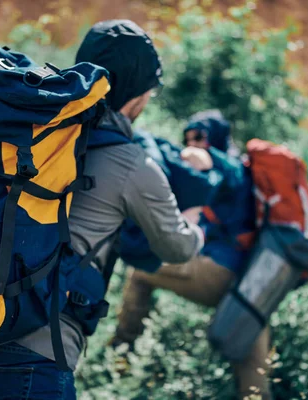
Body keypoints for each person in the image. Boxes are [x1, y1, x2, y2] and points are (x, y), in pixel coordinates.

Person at [0, 20, 204, 399]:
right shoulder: (131, 162)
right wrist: (198, 218)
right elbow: (177, 249)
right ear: (138, 95)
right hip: (35, 357)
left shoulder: (35, 130)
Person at [113, 111, 273, 400]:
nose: (193, 144)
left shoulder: (230, 168)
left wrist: (187, 152)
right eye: (188, 138)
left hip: (220, 272)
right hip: (251, 284)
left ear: (217, 138)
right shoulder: (239, 172)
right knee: (254, 370)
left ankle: (121, 356)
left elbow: (209, 162)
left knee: (141, 271)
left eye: (199, 137)